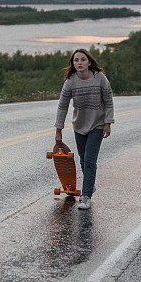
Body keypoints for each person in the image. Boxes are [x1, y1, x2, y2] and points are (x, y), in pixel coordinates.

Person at [54, 48, 114, 210]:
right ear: (73, 64)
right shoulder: (70, 82)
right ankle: (90, 184)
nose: (79, 63)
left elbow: (108, 100)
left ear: (89, 62)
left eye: (82, 59)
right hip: (79, 125)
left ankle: (86, 196)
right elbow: (62, 107)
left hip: (97, 125)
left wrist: (108, 122)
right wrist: (58, 129)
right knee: (82, 159)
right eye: (76, 60)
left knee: (89, 161)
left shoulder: (100, 78)